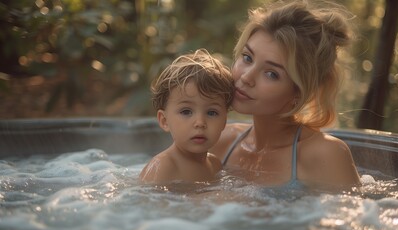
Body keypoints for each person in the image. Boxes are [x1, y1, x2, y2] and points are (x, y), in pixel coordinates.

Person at [210, 0, 361, 190]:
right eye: (247, 58)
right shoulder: (221, 140)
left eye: (271, 73)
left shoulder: (326, 154)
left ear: (299, 91)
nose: (247, 77)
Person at [139, 49, 235, 184]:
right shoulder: (162, 167)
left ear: (224, 121)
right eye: (186, 112)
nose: (200, 123)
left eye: (212, 112)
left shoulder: (215, 165)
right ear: (164, 120)